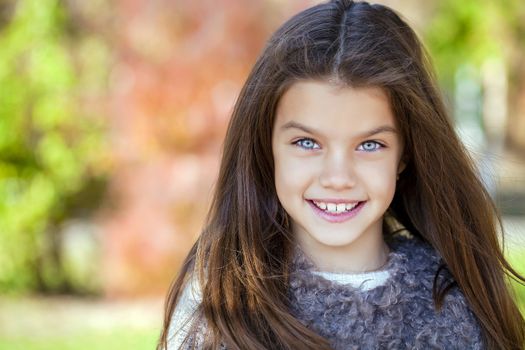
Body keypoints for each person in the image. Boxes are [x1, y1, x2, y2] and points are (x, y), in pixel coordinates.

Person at [158, 1, 525, 349]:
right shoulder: (216, 310)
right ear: (266, 148)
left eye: (369, 145)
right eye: (306, 142)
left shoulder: (456, 308)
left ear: (405, 154)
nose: (338, 177)